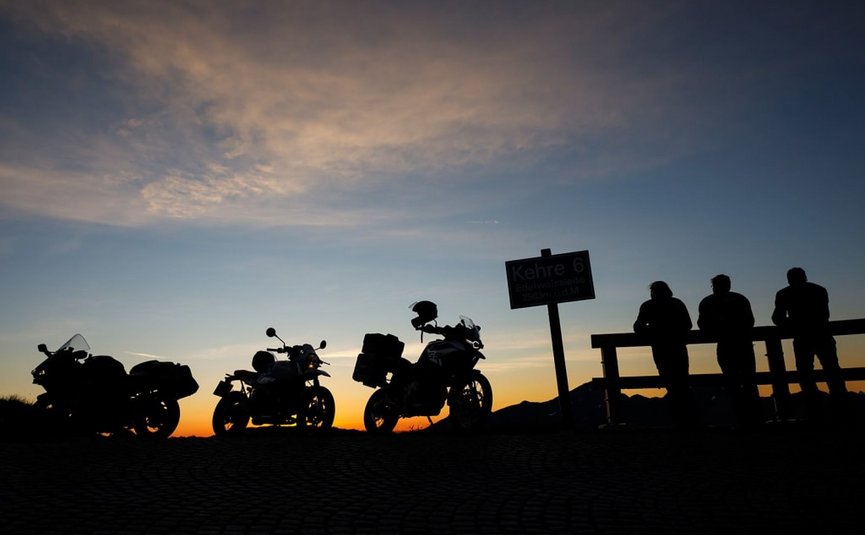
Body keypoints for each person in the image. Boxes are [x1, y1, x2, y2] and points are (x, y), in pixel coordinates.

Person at [771, 267, 847, 419]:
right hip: (823, 335)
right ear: (805, 277)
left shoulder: (784, 294)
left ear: (789, 279)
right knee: (832, 371)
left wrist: (792, 324)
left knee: (805, 374)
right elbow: (825, 315)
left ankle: (815, 411)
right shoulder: (819, 290)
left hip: (802, 338)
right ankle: (841, 410)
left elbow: (777, 318)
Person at [697, 274, 761, 428]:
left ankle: (742, 418)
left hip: (727, 345)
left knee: (735, 381)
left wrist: (718, 330)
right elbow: (750, 321)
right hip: (742, 344)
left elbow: (702, 324)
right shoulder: (739, 299)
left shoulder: (708, 302)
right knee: (747, 381)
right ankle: (752, 419)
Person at [634, 281, 696, 428]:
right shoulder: (676, 303)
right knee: (681, 381)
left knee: (670, 381)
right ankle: (687, 419)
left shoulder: (648, 306)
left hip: (660, 349)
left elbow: (638, 327)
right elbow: (688, 325)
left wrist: (652, 331)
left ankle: (679, 419)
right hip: (678, 348)